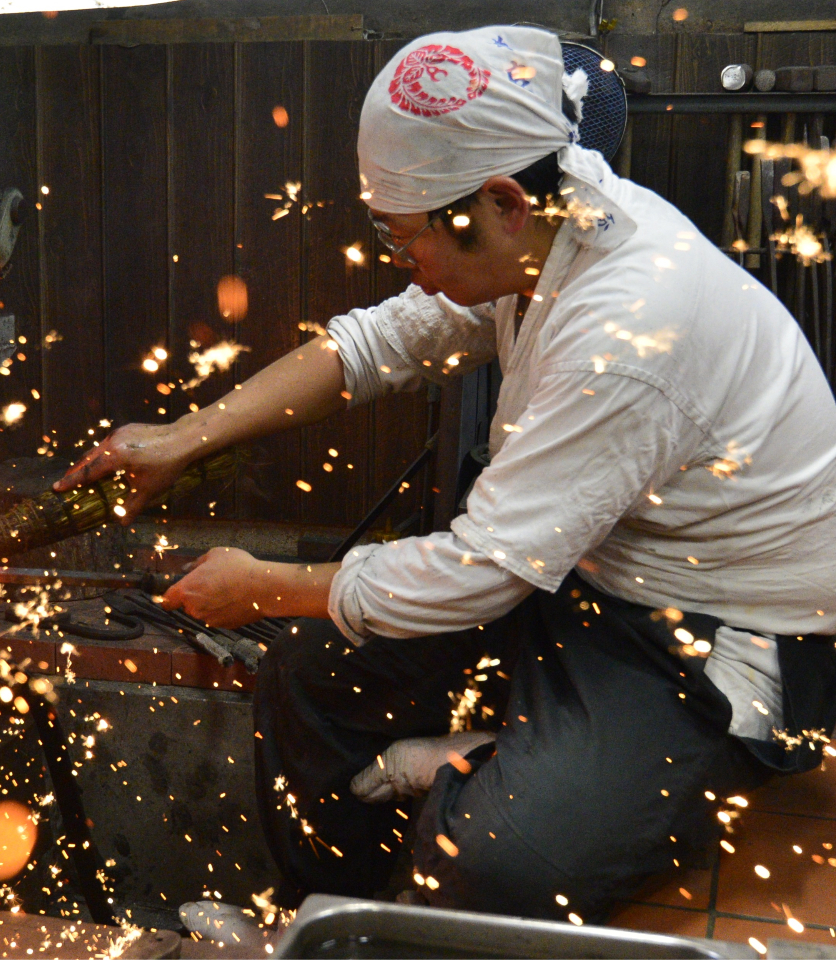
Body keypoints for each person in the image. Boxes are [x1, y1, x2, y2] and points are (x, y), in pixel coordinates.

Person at [55, 25, 836, 923]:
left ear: (503, 202)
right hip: (577, 571)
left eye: (406, 240)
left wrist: (264, 586)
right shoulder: (548, 222)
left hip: (708, 634)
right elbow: (374, 345)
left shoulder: (630, 326)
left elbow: (479, 571)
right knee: (310, 679)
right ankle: (326, 915)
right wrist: (180, 437)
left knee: (506, 861)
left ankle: (471, 771)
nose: (403, 266)